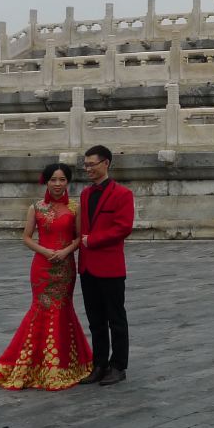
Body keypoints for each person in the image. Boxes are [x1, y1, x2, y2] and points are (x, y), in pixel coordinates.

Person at [0, 163, 93, 390]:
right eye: (53, 180)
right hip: (42, 267)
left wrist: (66, 251)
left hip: (65, 266)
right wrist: (45, 251)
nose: (57, 184)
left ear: (68, 182)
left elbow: (79, 237)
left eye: (62, 180)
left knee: (62, 310)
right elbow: (27, 237)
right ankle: (35, 362)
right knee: (40, 309)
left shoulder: (75, 207)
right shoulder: (36, 207)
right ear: (46, 182)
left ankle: (64, 363)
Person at [76, 145, 135, 387]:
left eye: (92, 164)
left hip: (109, 265)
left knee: (116, 318)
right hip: (88, 265)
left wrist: (94, 240)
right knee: (95, 319)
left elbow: (123, 227)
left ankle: (118, 365)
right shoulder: (86, 194)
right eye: (86, 165)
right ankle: (99, 363)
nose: (88, 169)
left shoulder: (122, 194)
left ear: (106, 163)